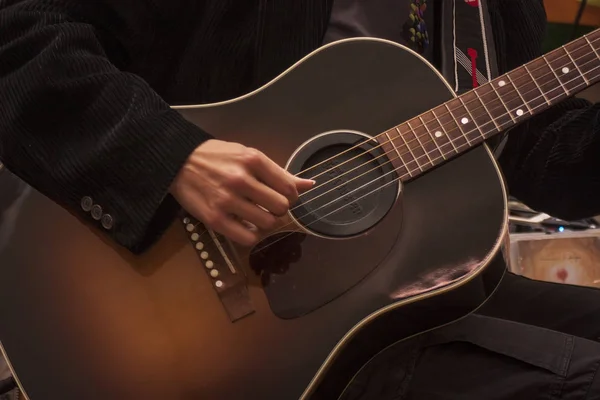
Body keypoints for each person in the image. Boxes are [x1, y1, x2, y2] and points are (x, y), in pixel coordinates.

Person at [0, 0, 600, 398]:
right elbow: (18, 34)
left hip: (405, 290)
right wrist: (169, 156)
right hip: (200, 318)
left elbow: (519, 138)